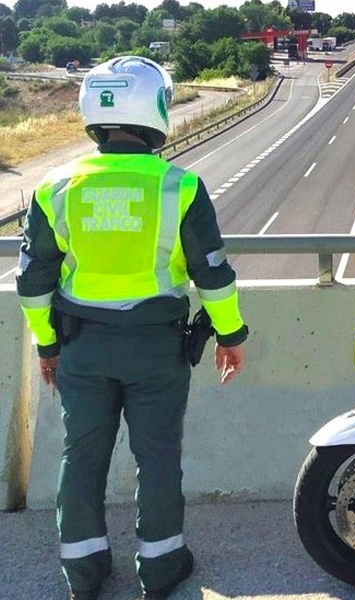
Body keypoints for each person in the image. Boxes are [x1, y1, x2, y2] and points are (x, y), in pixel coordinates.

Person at [16, 56, 248, 600]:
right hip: (157, 349)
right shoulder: (180, 185)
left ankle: (84, 571)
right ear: (157, 110)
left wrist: (46, 344)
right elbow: (211, 275)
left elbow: (32, 284)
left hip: (80, 347)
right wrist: (232, 336)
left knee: (82, 455)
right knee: (158, 455)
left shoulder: (55, 187)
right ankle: (162, 567)